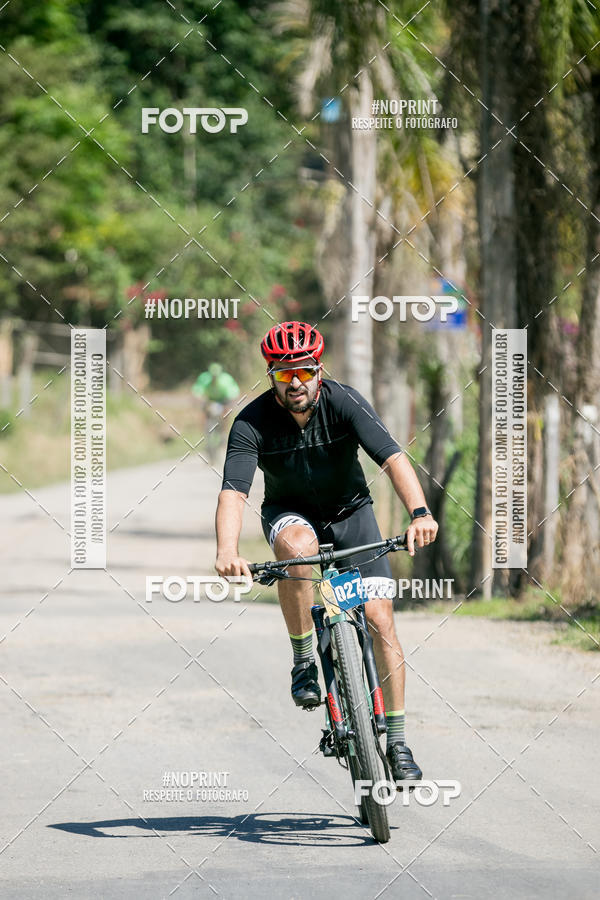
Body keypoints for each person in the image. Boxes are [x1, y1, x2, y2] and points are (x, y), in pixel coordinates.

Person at [214, 321, 438, 785]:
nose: (295, 383)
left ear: (319, 371)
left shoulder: (345, 402)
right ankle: (303, 660)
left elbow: (393, 458)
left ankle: (396, 740)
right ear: (271, 375)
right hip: (290, 513)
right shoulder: (251, 422)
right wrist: (227, 550)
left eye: (303, 372)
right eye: (283, 374)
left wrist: (419, 512)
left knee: (380, 617)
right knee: (298, 550)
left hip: (351, 513)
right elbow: (234, 492)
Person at [193, 363, 240, 461]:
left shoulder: (226, 380)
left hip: (223, 400)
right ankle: (205, 433)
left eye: (216, 376)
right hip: (209, 400)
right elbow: (197, 392)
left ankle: (224, 431)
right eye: (212, 376)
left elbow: (233, 394)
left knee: (226, 412)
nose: (214, 378)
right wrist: (200, 400)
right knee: (203, 412)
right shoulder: (204, 378)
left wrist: (227, 406)